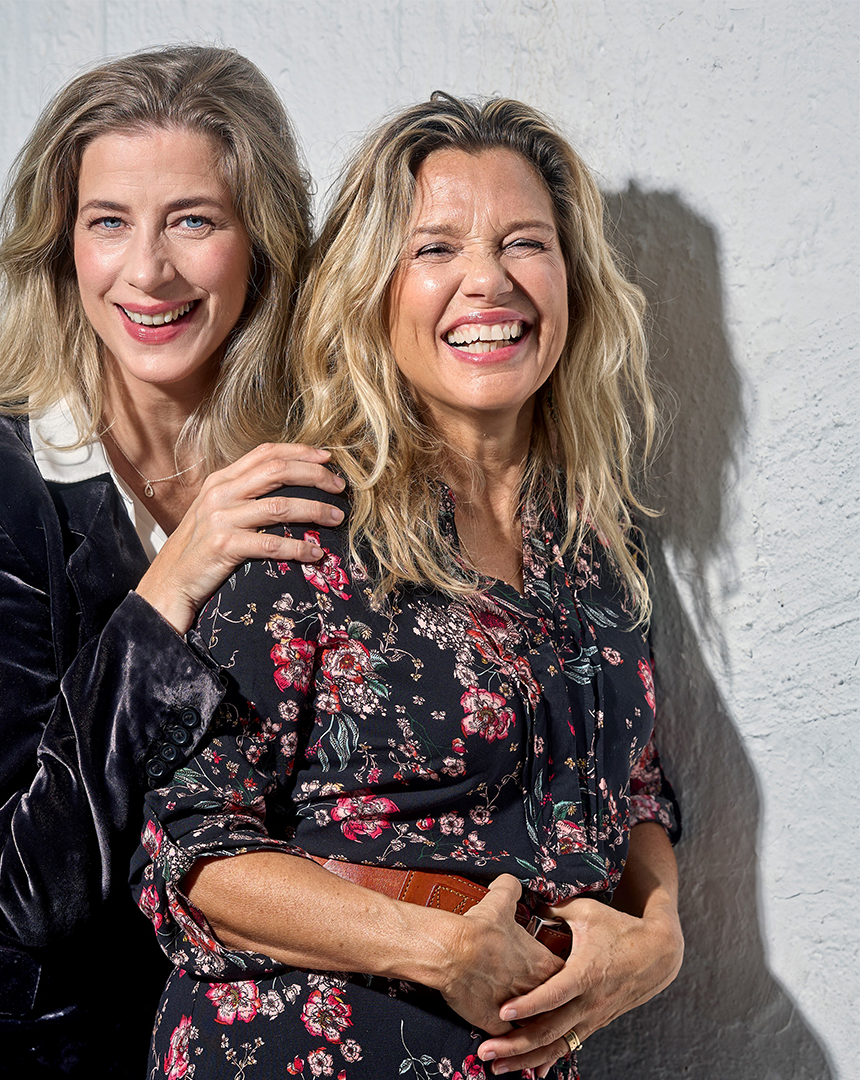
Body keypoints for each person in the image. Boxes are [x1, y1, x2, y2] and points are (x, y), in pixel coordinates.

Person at [0, 45, 346, 1079]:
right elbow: (24, 884)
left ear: (261, 244)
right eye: (109, 223)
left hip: (174, 1033)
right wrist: (168, 588)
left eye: (193, 220)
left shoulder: (305, 469)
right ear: (63, 248)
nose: (149, 271)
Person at [138, 94, 684, 1080]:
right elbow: (191, 849)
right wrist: (437, 948)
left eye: (525, 243)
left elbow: (634, 782)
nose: (490, 281)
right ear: (374, 291)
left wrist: (659, 933)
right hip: (299, 1049)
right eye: (436, 249)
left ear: (572, 279)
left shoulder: (600, 541)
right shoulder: (299, 522)